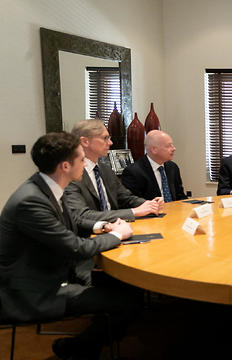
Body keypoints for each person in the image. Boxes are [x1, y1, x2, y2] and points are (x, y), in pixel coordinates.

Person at [0, 132, 135, 359]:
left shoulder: (46, 187)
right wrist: (118, 236)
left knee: (127, 286)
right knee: (125, 302)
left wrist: (103, 227)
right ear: (65, 166)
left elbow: (68, 228)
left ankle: (82, 346)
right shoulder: (31, 201)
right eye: (82, 159)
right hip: (32, 291)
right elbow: (75, 247)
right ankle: (77, 349)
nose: (86, 164)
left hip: (54, 270)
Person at [65, 119, 163, 223]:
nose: (110, 143)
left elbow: (125, 198)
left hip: (117, 228)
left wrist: (149, 204)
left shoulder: (104, 169)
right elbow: (82, 215)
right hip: (91, 234)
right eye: (105, 138)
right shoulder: (70, 174)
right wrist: (133, 212)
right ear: (85, 141)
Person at [122, 130, 188, 201]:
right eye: (168, 146)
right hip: (152, 211)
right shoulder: (133, 172)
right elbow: (133, 202)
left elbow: (180, 196)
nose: (174, 149)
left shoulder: (172, 167)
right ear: (154, 150)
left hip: (174, 210)